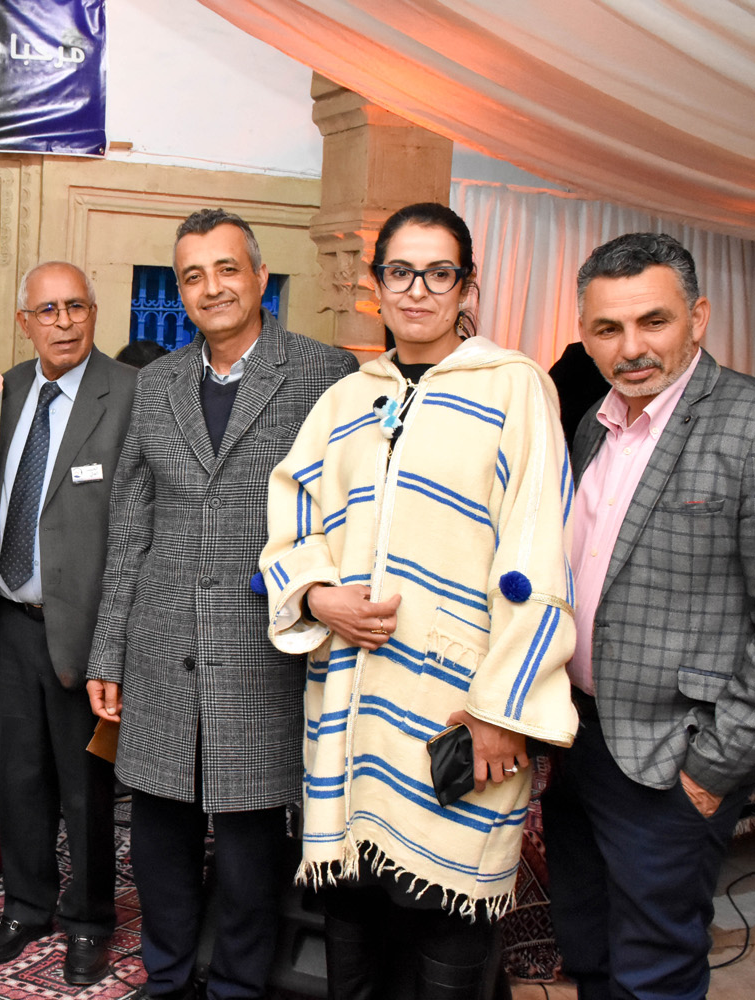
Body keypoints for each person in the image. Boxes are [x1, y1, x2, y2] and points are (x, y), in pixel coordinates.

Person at [261, 202, 578, 997]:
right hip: (351, 714)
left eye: (439, 274)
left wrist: (503, 710)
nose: (418, 290)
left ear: (467, 286)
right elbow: (290, 522)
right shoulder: (347, 400)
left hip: (457, 712)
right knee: (355, 944)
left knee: (445, 952)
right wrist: (318, 596)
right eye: (400, 272)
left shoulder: (513, 389)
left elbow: (538, 553)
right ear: (376, 284)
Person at [86, 208, 358, 1000]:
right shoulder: (157, 384)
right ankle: (168, 978)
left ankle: (238, 984)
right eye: (193, 276)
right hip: (160, 644)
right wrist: (108, 651)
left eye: (227, 269)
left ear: (260, 277)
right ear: (180, 292)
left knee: (248, 845)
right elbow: (130, 525)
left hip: (264, 646)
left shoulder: (325, 373)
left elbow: (347, 513)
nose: (212, 288)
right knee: (159, 835)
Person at [543, 232, 755, 1000]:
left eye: (653, 321)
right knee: (589, 956)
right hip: (578, 742)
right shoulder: (591, 426)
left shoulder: (745, 424)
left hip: (673, 759)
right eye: (608, 328)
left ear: (698, 317)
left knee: (653, 977)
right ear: (585, 333)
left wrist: (714, 768)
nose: (630, 347)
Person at [0, 262, 137, 984]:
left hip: (87, 627)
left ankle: (90, 919)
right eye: (48, 310)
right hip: (11, 616)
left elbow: (138, 522)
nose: (63, 322)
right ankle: (26, 904)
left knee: (86, 787)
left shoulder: (129, 393)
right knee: (18, 777)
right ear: (25, 322)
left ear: (93, 313)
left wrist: (117, 644)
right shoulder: (5, 391)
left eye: (76, 307)